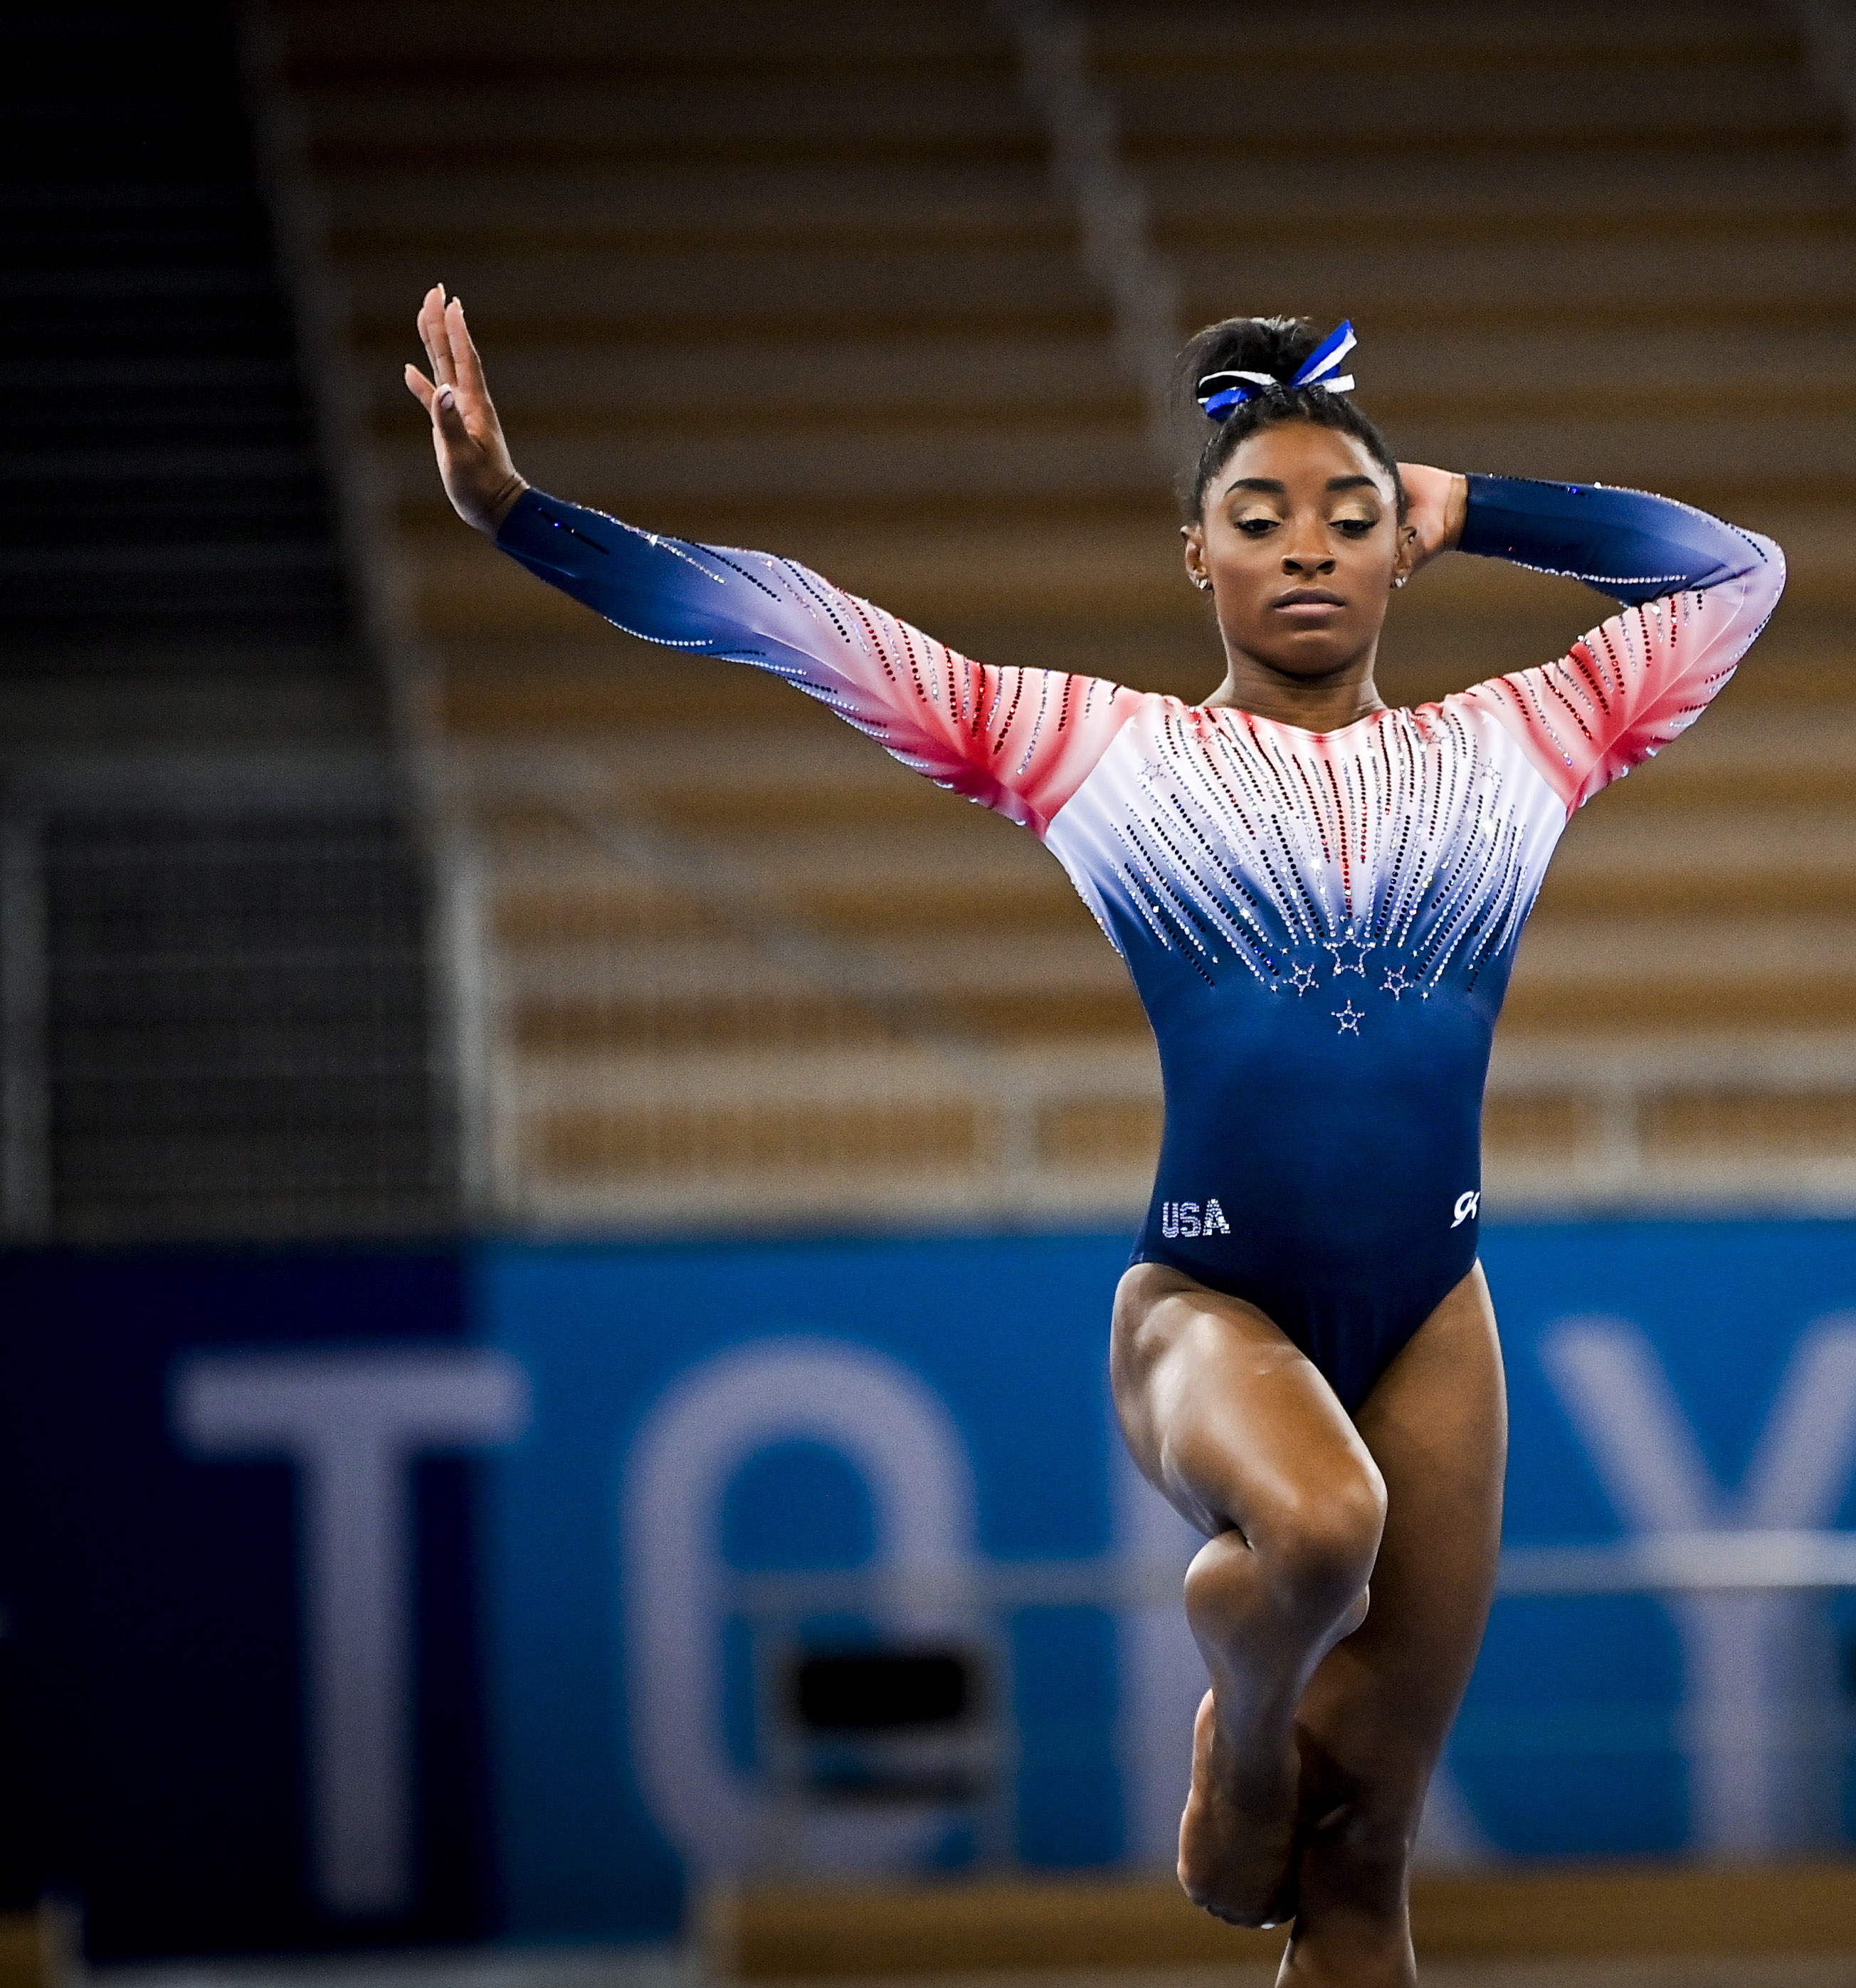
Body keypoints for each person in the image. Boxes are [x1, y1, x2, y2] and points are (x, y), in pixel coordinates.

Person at [406, 287, 1783, 1984]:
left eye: (1351, 516)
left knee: (1365, 1872)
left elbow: (1738, 574)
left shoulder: (1519, 746)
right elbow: (787, 621)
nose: (1306, 546)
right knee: (1319, 1529)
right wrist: (516, 513)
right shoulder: (1101, 752)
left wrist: (1469, 497)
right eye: (1256, 518)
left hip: (1438, 1307)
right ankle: (1247, 1717)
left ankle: (1288, 1762)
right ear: (1192, 555)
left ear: (1400, 550)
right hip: (1209, 1300)